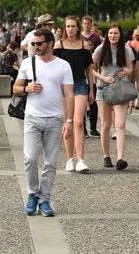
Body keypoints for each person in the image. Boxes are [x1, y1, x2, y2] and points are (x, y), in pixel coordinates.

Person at [14, 29, 74, 217]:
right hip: (32, 117)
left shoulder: (63, 66)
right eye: (33, 44)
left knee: (50, 163)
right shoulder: (27, 63)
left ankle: (45, 199)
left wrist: (69, 120)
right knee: (30, 158)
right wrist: (27, 88)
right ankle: (33, 194)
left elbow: (69, 94)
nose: (36, 47)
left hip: (55, 119)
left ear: (50, 43)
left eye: (39, 43)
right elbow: (16, 88)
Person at [53, 16, 94, 173]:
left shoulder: (84, 45)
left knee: (78, 121)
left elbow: (89, 69)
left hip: (80, 84)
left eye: (73, 26)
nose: (70, 29)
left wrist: (91, 89)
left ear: (78, 28)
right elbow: (54, 66)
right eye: (67, 26)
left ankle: (81, 159)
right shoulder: (59, 45)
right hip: (63, 86)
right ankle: (69, 159)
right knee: (67, 122)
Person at [93, 23, 135, 170]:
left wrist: (126, 73)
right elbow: (91, 69)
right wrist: (103, 78)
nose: (113, 36)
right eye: (110, 33)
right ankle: (106, 156)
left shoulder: (126, 49)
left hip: (120, 89)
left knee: (120, 124)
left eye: (116, 33)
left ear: (120, 35)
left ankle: (120, 158)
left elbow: (131, 68)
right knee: (105, 124)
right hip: (103, 88)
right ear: (107, 34)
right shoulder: (100, 49)